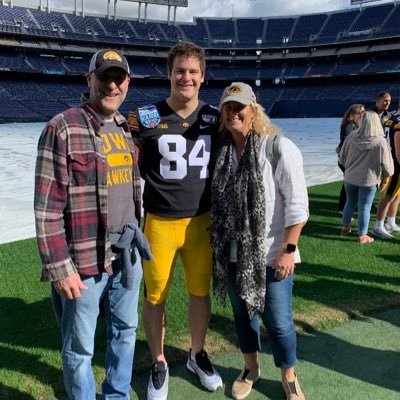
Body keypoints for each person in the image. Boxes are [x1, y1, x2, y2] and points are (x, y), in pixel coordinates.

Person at [34, 49, 148, 399]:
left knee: (126, 331)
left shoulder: (126, 129)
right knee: (80, 345)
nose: (112, 85)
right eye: (104, 77)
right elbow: (46, 208)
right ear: (89, 80)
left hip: (127, 251)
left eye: (119, 78)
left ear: (127, 83)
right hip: (83, 257)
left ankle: (117, 394)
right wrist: (59, 268)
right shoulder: (62, 127)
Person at [128, 42, 222, 400]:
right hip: (160, 224)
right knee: (155, 296)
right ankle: (159, 360)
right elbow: (114, 132)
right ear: (169, 73)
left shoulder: (214, 117)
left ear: (202, 76)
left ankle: (197, 354)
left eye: (193, 71)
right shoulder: (147, 116)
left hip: (201, 223)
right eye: (180, 70)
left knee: (199, 293)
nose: (186, 77)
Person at [210, 82, 309, 400]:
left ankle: (289, 375)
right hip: (234, 255)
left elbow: (298, 207)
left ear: (254, 109)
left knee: (279, 324)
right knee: (243, 317)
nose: (233, 112)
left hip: (272, 255)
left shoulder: (278, 147)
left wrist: (288, 250)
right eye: (227, 107)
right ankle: (251, 368)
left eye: (240, 106)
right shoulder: (223, 152)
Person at [339, 110, 394, 243]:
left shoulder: (351, 136)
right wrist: (386, 176)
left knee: (350, 203)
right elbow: (388, 166)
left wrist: (349, 167)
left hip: (350, 177)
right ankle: (362, 235)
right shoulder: (381, 141)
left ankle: (345, 227)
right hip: (369, 180)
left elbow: (341, 158)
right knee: (365, 206)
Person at [372, 100, 400, 239]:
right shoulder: (398, 122)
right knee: (389, 194)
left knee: (396, 194)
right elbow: (398, 147)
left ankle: (390, 222)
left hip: (391, 160)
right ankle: (378, 226)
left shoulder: (391, 118)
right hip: (396, 163)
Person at [336, 104, 365, 215]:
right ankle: (343, 209)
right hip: (347, 160)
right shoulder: (349, 125)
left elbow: (343, 142)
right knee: (349, 183)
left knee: (348, 183)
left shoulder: (354, 125)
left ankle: (344, 208)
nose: (363, 114)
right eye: (361, 112)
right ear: (355, 114)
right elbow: (347, 142)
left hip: (348, 159)